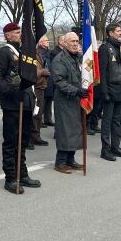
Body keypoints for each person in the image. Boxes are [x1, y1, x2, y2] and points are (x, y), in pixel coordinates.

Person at [0, 22, 41, 194]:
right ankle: (11, 178)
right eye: (17, 32)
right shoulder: (4, 52)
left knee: (23, 140)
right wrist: (11, 92)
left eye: (20, 31)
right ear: (8, 35)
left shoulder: (22, 52)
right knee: (11, 141)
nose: (20, 34)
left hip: (26, 102)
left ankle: (22, 173)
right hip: (13, 104)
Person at [50, 32, 86, 173]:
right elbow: (59, 82)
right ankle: (60, 162)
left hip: (76, 99)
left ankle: (70, 159)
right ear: (64, 43)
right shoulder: (59, 60)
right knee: (66, 131)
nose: (75, 43)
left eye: (77, 41)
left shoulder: (78, 58)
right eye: (72, 41)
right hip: (65, 100)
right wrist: (76, 91)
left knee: (76, 130)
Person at [98, 23, 121, 161]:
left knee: (117, 121)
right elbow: (102, 71)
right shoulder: (105, 48)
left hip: (120, 88)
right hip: (110, 88)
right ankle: (105, 150)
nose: (120, 33)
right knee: (107, 121)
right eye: (118, 31)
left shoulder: (120, 48)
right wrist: (104, 91)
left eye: (120, 31)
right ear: (110, 33)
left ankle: (115, 147)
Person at [30, 35, 51, 148]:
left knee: (38, 113)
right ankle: (31, 137)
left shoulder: (38, 53)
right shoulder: (29, 53)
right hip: (34, 86)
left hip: (41, 85)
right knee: (34, 113)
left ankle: (36, 136)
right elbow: (31, 71)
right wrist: (43, 71)